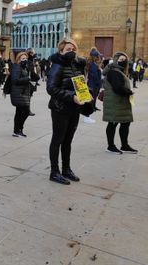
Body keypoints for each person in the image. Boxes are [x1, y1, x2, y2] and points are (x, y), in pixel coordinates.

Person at [47, 38, 88, 185]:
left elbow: (80, 83)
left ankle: (66, 169)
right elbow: (51, 88)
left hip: (74, 108)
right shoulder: (57, 65)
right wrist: (72, 96)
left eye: (73, 49)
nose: (71, 52)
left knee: (68, 140)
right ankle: (54, 171)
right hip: (60, 108)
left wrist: (85, 94)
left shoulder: (77, 65)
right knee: (57, 139)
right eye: (68, 50)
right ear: (61, 51)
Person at [102, 52, 137, 154]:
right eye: (121, 59)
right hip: (115, 102)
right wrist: (129, 92)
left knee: (125, 122)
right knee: (113, 123)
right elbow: (118, 88)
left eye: (125, 59)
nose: (123, 61)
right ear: (116, 60)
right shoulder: (114, 72)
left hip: (121, 102)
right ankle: (110, 146)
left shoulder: (119, 71)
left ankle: (124, 145)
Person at [11, 52, 34, 137]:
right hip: (19, 93)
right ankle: (18, 129)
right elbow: (15, 80)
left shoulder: (24, 67)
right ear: (18, 59)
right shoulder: (17, 67)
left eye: (26, 58)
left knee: (19, 112)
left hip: (23, 92)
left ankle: (17, 131)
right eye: (23, 58)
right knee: (25, 111)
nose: (25, 60)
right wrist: (27, 79)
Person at [86, 47, 102, 119]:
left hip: (94, 84)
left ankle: (94, 107)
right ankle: (89, 111)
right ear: (95, 57)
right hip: (93, 84)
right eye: (98, 56)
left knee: (94, 96)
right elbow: (94, 75)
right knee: (92, 97)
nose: (99, 57)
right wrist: (99, 82)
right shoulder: (93, 65)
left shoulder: (94, 64)